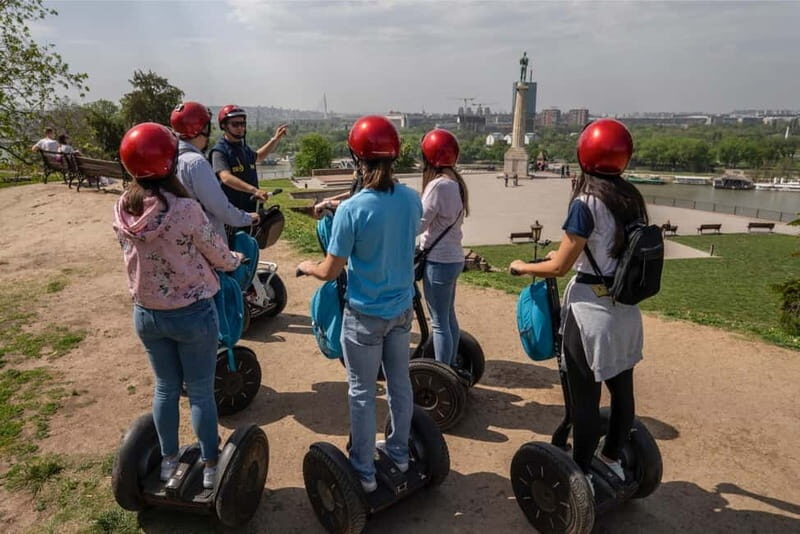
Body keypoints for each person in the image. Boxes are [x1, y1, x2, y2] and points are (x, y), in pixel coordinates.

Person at [509, 119, 646, 490]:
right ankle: (612, 457)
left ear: (584, 155)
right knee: (622, 391)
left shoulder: (586, 203)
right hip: (626, 310)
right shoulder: (632, 198)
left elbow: (559, 266)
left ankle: (580, 469)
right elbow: (609, 250)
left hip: (590, 314)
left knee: (583, 396)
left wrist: (523, 267)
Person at [114, 122, 243, 489]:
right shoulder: (185, 209)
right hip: (191, 313)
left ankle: (169, 460)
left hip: (147, 313)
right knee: (201, 390)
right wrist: (234, 260)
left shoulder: (123, 207)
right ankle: (211, 464)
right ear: (170, 162)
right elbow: (217, 255)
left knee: (166, 389)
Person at [297, 116, 422, 493]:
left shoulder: (352, 212)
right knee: (400, 385)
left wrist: (308, 267)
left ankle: (364, 471)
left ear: (357, 160)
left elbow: (331, 271)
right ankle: (399, 453)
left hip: (365, 316)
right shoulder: (411, 199)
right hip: (401, 311)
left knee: (362, 393)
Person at [170, 101, 258, 238]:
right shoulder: (196, 163)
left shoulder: (172, 158)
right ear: (203, 129)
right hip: (206, 239)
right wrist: (247, 218)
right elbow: (219, 207)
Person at [418, 128, 469, 368]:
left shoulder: (438, 186)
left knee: (438, 322)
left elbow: (419, 224)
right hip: (453, 258)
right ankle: (450, 365)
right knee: (448, 317)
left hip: (438, 261)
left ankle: (442, 371)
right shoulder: (455, 182)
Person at [209, 105, 288, 219]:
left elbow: (258, 157)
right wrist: (254, 190)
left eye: (243, 124)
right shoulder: (220, 151)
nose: (240, 128)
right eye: (235, 124)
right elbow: (225, 177)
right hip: (233, 214)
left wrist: (275, 139)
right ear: (223, 126)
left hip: (252, 209)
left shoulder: (243, 148)